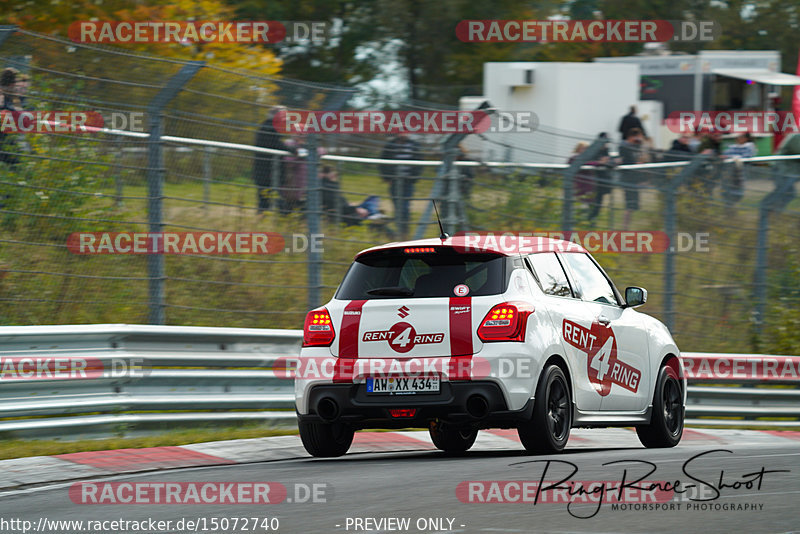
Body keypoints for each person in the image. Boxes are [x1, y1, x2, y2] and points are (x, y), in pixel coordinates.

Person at [251, 106, 294, 214]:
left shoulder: (269, 126)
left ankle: (269, 219)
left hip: (267, 171)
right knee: (269, 200)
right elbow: (275, 144)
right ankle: (282, 219)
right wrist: (291, 149)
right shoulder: (269, 127)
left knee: (266, 200)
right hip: (268, 172)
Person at [379, 133, 421, 238]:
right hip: (394, 182)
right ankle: (399, 230)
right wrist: (387, 178)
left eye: (406, 132)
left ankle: (404, 232)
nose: (404, 134)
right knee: (398, 206)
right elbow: (382, 162)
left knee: (405, 207)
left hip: (408, 182)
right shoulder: (390, 145)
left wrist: (414, 178)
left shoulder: (414, 145)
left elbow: (419, 161)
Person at [618, 127, 647, 230]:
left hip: (634, 180)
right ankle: (624, 227)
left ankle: (627, 226)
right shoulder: (624, 146)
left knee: (634, 205)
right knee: (629, 205)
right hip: (627, 179)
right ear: (632, 137)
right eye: (637, 137)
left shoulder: (636, 147)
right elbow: (628, 160)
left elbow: (642, 158)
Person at [722, 132, 757, 205]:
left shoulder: (749, 146)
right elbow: (725, 154)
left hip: (741, 172)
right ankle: (728, 204)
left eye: (741, 137)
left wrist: (736, 157)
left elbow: (747, 156)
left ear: (746, 139)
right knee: (728, 187)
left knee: (738, 187)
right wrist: (735, 157)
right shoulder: (734, 146)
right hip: (730, 172)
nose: (738, 139)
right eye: (738, 137)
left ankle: (733, 203)